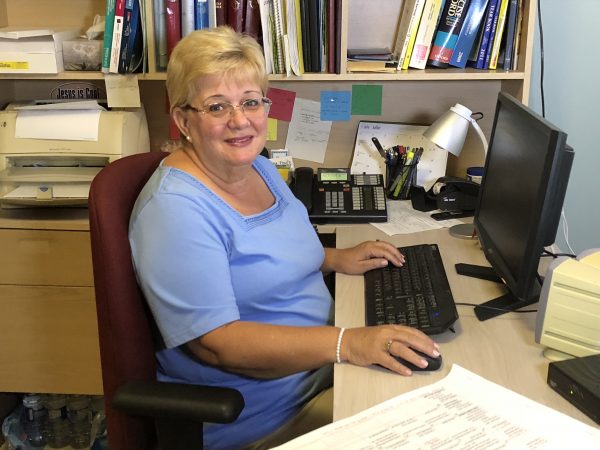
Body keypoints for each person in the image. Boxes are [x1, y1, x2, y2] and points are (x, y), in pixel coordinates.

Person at [129, 26, 440, 449]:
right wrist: (348, 344)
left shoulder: (255, 166)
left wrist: (334, 259)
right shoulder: (175, 210)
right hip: (269, 412)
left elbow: (269, 251)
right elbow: (218, 345)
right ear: (183, 120)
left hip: (322, 370)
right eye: (217, 106)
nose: (240, 121)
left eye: (250, 101)